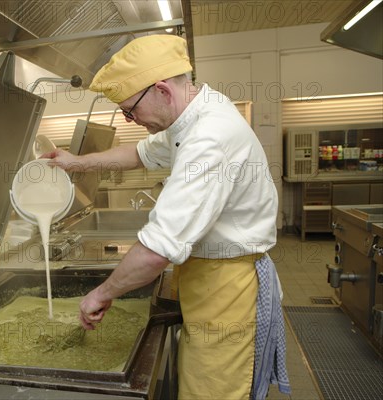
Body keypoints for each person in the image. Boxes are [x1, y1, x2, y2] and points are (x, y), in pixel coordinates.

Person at [43, 34, 290, 400]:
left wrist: (101, 293)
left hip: (226, 289)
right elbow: (139, 155)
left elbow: (158, 249)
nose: (131, 120)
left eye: (130, 111)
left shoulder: (209, 138)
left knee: (210, 393)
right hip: (207, 277)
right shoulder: (191, 115)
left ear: (161, 90)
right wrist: (76, 163)